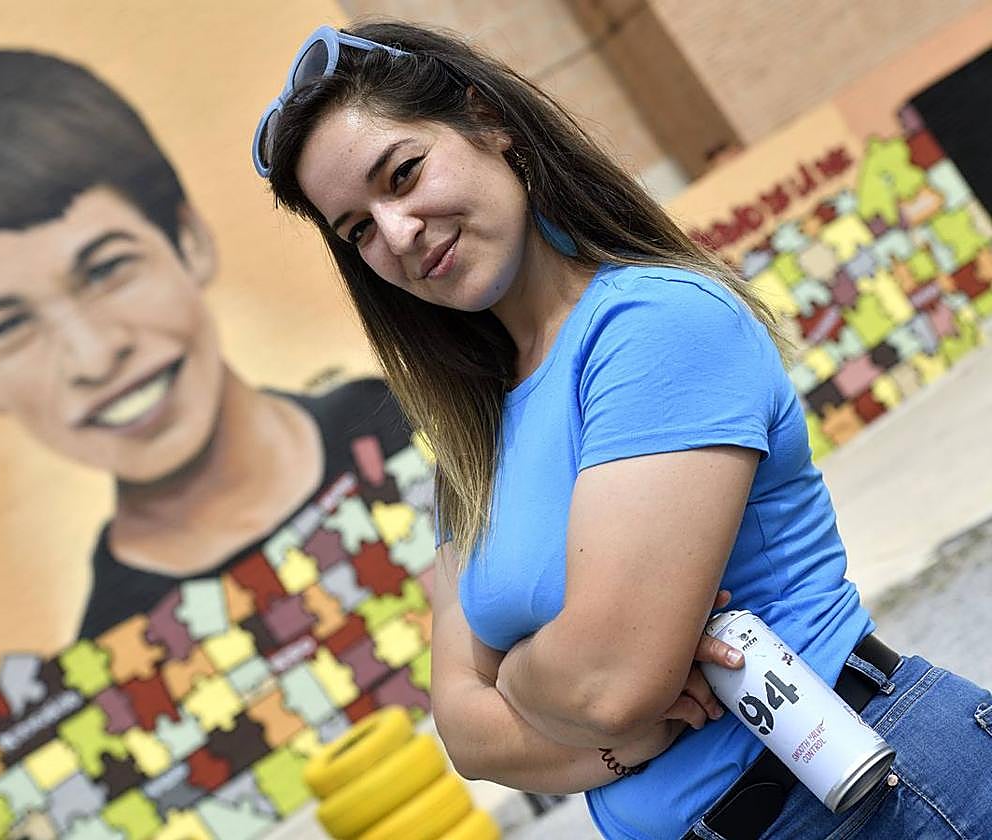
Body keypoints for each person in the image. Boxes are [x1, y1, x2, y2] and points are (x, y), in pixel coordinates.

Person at [256, 21, 992, 840]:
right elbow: (467, 733)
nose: (395, 234)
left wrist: (526, 681)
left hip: (879, 804)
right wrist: (616, 736)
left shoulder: (650, 327)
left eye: (403, 174)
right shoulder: (473, 435)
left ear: (485, 121)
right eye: (356, 228)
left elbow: (606, 684)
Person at [0, 49, 412, 640]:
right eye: (7, 327)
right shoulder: (116, 654)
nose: (94, 355)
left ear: (189, 240)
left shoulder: (423, 419)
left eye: (105, 269)